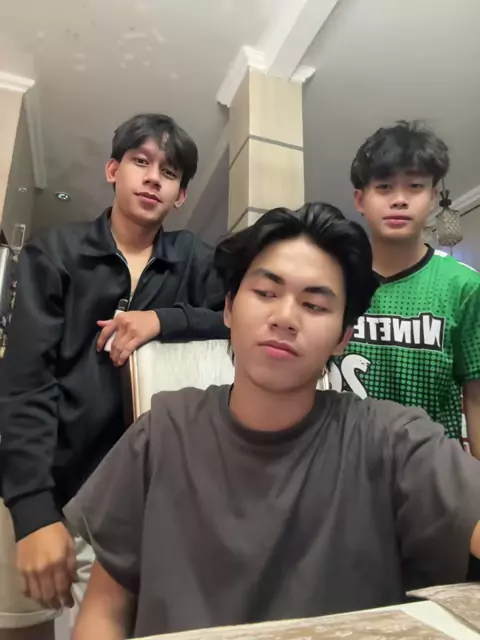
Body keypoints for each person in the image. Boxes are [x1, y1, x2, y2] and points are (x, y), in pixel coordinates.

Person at [65, 203, 480, 640]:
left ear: (343, 337)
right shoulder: (161, 434)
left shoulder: (392, 441)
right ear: (229, 308)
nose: (285, 318)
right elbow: (105, 613)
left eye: (314, 304)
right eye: (266, 293)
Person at [0, 113, 228, 640]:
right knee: (24, 627)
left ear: (180, 195)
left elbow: (244, 316)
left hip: (140, 502)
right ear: (112, 170)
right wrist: (34, 512)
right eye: (140, 162)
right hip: (47, 485)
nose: (152, 179)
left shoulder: (195, 261)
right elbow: (26, 383)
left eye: (168, 173)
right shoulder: (56, 253)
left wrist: (164, 319)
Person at [329, 121, 480, 458]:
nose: (399, 200)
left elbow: (476, 397)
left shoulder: (464, 287)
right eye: (384, 187)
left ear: (433, 197)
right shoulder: (333, 280)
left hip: (433, 472)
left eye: (414, 186)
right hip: (343, 464)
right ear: (360, 199)